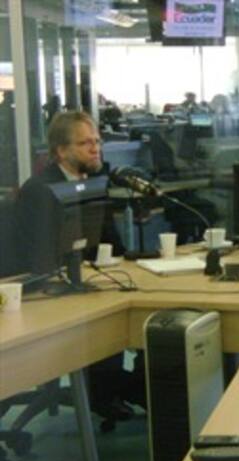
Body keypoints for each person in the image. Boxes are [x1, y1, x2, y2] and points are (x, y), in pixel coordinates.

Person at [14, 111, 142, 420]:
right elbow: (40, 256)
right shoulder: (40, 190)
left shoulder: (93, 182)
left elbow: (110, 241)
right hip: (39, 293)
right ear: (61, 151)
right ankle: (110, 392)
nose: (96, 149)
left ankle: (122, 389)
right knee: (102, 320)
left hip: (86, 281)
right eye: (85, 143)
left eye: (97, 141)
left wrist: (134, 262)